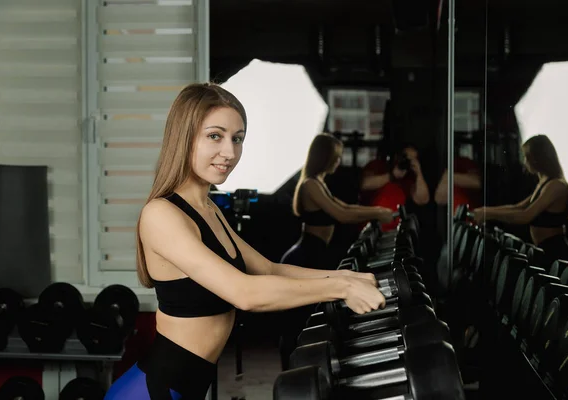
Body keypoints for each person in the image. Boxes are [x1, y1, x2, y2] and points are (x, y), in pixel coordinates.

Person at [104, 83, 386, 400]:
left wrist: (347, 276)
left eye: (237, 139)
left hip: (189, 387)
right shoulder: (162, 214)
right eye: (215, 136)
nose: (230, 152)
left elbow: (267, 269)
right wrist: (341, 289)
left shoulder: (209, 209)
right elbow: (244, 293)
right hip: (153, 391)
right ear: (185, 138)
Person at [278, 133, 395, 370]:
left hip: (316, 251)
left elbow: (346, 207)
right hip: (306, 254)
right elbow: (341, 215)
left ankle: (304, 373)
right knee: (298, 324)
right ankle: (294, 377)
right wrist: (376, 213)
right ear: (324, 157)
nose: (338, 162)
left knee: (308, 321)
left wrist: (378, 210)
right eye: (336, 157)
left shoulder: (318, 182)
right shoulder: (310, 184)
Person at [473, 134, 568, 268]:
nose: (525, 162)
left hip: (560, 255)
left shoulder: (556, 185)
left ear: (538, 158)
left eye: (527, 157)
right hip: (548, 250)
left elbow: (526, 215)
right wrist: (485, 210)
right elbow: (518, 207)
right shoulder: (544, 182)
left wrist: (488, 214)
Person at [359, 144, 430, 231]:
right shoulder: (378, 166)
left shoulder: (408, 178)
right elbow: (364, 184)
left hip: (394, 231)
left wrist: (418, 173)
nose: (407, 161)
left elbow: (422, 200)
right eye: (405, 157)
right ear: (397, 156)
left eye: (412, 159)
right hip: (370, 228)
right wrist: (392, 176)